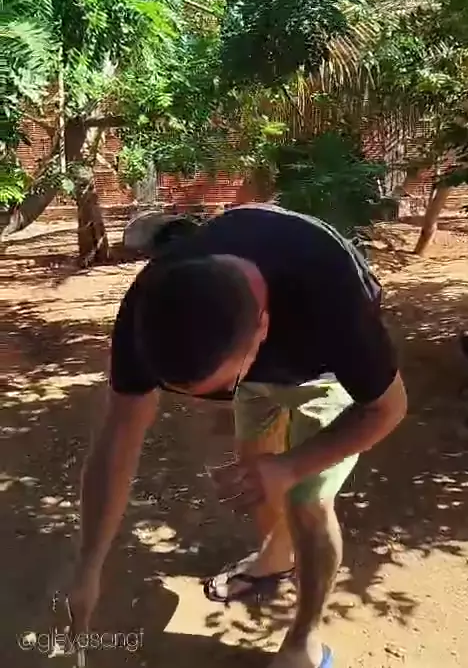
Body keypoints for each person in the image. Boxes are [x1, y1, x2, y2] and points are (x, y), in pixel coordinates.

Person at [65, 203, 407, 668]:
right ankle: (276, 557)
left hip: (322, 373)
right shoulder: (149, 303)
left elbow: (388, 408)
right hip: (257, 360)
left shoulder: (333, 301)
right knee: (255, 472)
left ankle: (303, 641)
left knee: (306, 498)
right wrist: (89, 564)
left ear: (262, 329)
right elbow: (120, 431)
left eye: (222, 387)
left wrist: (290, 466)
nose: (212, 403)